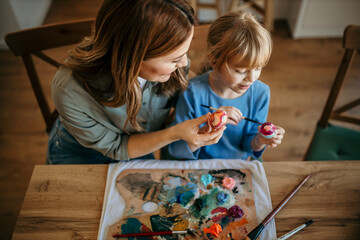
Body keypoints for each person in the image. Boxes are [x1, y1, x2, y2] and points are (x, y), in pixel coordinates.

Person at [47, 0, 226, 164]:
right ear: (134, 57)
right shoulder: (69, 90)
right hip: (80, 155)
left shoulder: (174, 66)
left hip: (143, 146)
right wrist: (174, 133)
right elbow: (116, 147)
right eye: (174, 59)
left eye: (183, 54)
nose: (184, 63)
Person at [168, 12, 285, 160]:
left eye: (258, 68)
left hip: (236, 166)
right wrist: (209, 125)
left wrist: (260, 140)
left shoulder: (261, 93)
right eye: (240, 71)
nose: (251, 78)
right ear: (215, 62)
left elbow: (248, 145)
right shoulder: (192, 92)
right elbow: (177, 150)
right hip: (199, 167)